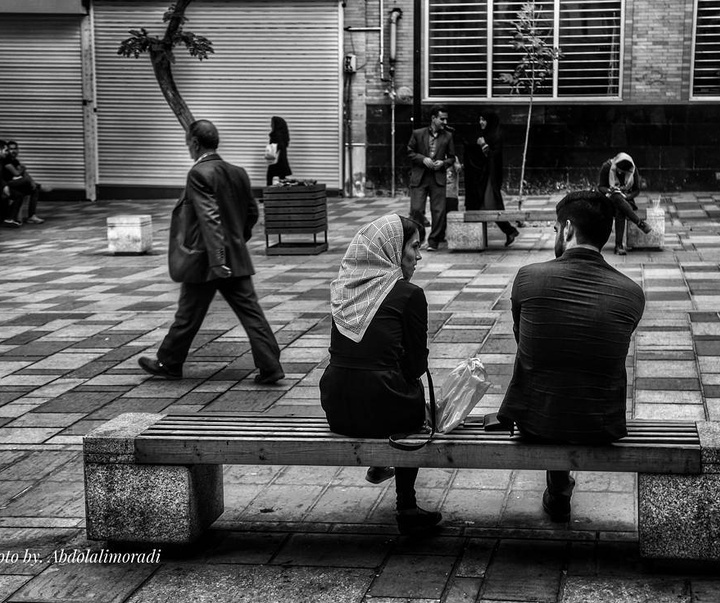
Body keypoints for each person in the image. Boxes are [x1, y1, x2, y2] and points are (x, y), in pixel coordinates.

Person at [497, 190, 645, 522]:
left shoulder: (528, 277)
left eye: (554, 228)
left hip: (536, 422)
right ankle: (559, 489)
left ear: (566, 229)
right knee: (573, 370)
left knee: (550, 378)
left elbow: (524, 341)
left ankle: (559, 489)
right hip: (601, 423)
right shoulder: (632, 293)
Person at [320, 214, 442, 536]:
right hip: (386, 409)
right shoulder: (409, 295)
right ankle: (407, 506)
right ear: (392, 250)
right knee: (412, 402)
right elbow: (417, 367)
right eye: (414, 247)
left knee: (375, 381)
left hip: (337, 406)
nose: (419, 256)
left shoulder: (344, 291)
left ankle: (379, 463)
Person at [138, 119, 284, 385]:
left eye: (187, 144)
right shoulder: (237, 171)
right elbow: (252, 213)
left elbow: (210, 218)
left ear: (194, 143)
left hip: (207, 262)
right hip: (235, 259)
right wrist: (236, 243)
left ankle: (169, 362)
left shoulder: (199, 173)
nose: (188, 149)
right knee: (251, 313)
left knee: (188, 315)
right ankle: (271, 366)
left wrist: (218, 259)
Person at [463, 110, 519, 246]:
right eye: (480, 119)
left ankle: (510, 230)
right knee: (486, 206)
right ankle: (509, 231)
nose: (481, 122)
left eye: (484, 119)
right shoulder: (486, 135)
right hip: (483, 178)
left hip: (491, 178)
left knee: (490, 205)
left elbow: (494, 157)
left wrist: (484, 146)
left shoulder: (496, 136)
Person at [407, 104, 455, 251]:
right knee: (416, 210)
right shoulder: (418, 133)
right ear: (433, 118)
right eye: (442, 119)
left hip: (437, 177)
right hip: (420, 177)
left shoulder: (448, 136)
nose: (445, 122)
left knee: (438, 211)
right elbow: (409, 152)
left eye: (446, 119)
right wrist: (422, 159)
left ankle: (433, 241)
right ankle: (420, 237)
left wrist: (444, 163)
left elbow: (452, 158)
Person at [597, 152, 652, 255]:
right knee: (617, 198)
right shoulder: (607, 166)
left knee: (620, 208)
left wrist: (626, 196)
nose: (621, 174)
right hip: (608, 201)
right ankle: (639, 223)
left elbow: (636, 190)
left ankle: (619, 246)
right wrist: (610, 190)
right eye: (619, 171)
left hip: (626, 201)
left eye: (624, 173)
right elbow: (600, 187)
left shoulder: (633, 169)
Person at [2, 140, 44, 225]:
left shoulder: (15, 161)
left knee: (34, 190)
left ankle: (31, 216)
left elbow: (23, 173)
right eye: (10, 149)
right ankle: (39, 186)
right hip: (7, 184)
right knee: (26, 181)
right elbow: (17, 173)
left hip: (14, 183)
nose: (13, 151)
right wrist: (23, 170)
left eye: (15, 149)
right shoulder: (6, 160)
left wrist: (32, 181)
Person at [265, 116, 292, 187]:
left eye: (272, 123)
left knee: (270, 178)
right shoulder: (282, 135)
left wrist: (270, 155)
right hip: (281, 160)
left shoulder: (276, 135)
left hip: (276, 160)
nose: (270, 125)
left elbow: (275, 148)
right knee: (281, 178)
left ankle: (270, 194)